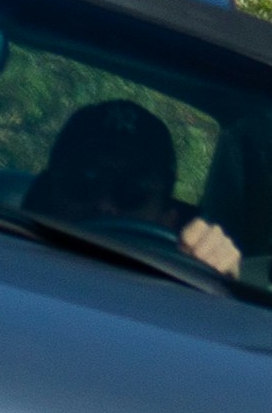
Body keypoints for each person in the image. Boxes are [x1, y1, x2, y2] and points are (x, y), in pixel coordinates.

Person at [26, 98, 244, 278]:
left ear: (167, 219)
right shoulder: (6, 261)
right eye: (84, 179)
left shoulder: (180, 292)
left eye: (131, 190)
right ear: (48, 194)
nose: (104, 205)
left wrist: (216, 276)